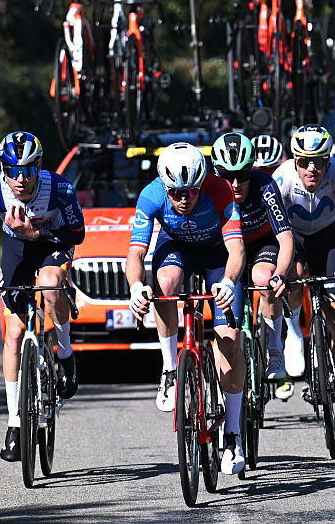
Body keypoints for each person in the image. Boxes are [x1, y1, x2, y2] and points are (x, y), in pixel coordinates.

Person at [125, 142, 249, 475]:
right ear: (165, 186)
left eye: (192, 191)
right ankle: (169, 369)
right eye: (177, 193)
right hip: (176, 248)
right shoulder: (151, 195)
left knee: (229, 346)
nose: (184, 199)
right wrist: (137, 288)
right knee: (164, 286)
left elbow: (236, 251)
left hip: (216, 256)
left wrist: (227, 282)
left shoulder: (220, 191)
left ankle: (233, 433)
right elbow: (135, 255)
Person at [0, 131, 85, 462]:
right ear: (2, 167)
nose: (21, 179)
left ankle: (64, 352)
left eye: (29, 170)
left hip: (53, 244)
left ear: (39, 167)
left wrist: (36, 232)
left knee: (50, 283)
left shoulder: (60, 188)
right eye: (12, 169)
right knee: (15, 332)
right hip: (17, 249)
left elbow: (78, 233)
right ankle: (14, 423)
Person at [273, 124, 335, 433]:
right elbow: (275, 232)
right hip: (293, 238)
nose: (312, 168)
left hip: (327, 239)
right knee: (296, 275)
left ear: (328, 160)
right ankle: (295, 334)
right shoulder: (282, 178)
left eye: (319, 161)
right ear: (294, 160)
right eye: (304, 161)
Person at [209, 133, 294, 384]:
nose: (236, 183)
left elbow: (286, 238)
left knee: (264, 279)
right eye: (227, 175)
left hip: (260, 245)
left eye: (243, 175)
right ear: (216, 173)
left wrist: (280, 274)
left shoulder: (265, 185)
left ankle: (275, 349)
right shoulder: (209, 191)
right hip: (227, 250)